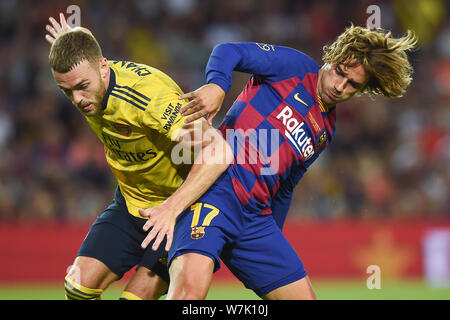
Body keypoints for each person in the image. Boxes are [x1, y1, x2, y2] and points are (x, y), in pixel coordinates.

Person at [141, 25, 417, 299]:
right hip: (215, 193)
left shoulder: (326, 128)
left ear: (364, 89)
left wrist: (273, 240)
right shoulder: (294, 66)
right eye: (340, 73)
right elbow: (228, 51)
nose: (339, 86)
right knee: (188, 297)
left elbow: (285, 187)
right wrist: (217, 85)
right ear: (332, 58)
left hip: (255, 220)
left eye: (353, 85)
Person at [45, 14, 232, 300]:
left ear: (103, 67)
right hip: (131, 203)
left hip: (178, 210)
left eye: (82, 86)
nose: (78, 99)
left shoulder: (149, 100)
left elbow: (219, 152)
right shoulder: (88, 72)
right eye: (66, 91)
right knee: (77, 289)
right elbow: (85, 47)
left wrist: (171, 208)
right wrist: (71, 36)